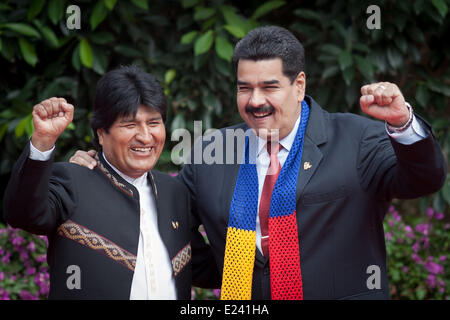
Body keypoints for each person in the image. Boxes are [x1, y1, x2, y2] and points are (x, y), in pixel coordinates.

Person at [70, 26, 446, 300]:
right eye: (244, 87)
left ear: (298, 85)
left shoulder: (356, 139)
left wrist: (402, 124)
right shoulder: (213, 150)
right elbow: (166, 219)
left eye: (269, 87)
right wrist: (103, 173)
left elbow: (424, 180)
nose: (254, 101)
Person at [3, 66, 198, 299]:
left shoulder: (174, 192)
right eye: (130, 124)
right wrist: (43, 141)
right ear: (101, 133)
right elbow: (22, 214)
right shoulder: (73, 180)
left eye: (154, 123)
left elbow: (205, 265)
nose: (146, 137)